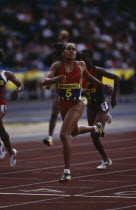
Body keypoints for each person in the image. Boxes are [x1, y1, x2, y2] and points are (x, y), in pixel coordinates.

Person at [42, 43, 111, 182]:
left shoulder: (81, 64)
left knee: (63, 134)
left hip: (77, 103)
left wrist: (103, 84)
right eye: (69, 48)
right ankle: (95, 127)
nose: (72, 51)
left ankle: (67, 171)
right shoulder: (57, 65)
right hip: (63, 104)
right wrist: (55, 79)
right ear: (63, 53)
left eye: (74, 49)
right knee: (74, 132)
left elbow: (89, 78)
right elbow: (45, 81)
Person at [81, 49, 120, 169]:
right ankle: (106, 160)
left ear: (90, 58)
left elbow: (117, 78)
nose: (83, 60)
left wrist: (113, 97)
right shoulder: (80, 72)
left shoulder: (98, 70)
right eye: (81, 58)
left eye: (85, 57)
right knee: (94, 135)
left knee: (97, 131)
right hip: (91, 106)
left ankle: (105, 116)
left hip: (101, 105)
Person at [43, 30, 70, 146]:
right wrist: (49, 83)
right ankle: (50, 137)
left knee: (67, 116)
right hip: (59, 91)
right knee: (54, 113)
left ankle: (67, 135)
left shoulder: (71, 56)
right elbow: (52, 75)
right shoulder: (56, 63)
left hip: (70, 91)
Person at [0, 49, 24, 167]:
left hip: (1, 104)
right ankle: (11, 152)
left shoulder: (6, 74)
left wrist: (17, 91)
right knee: (2, 131)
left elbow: (21, 85)